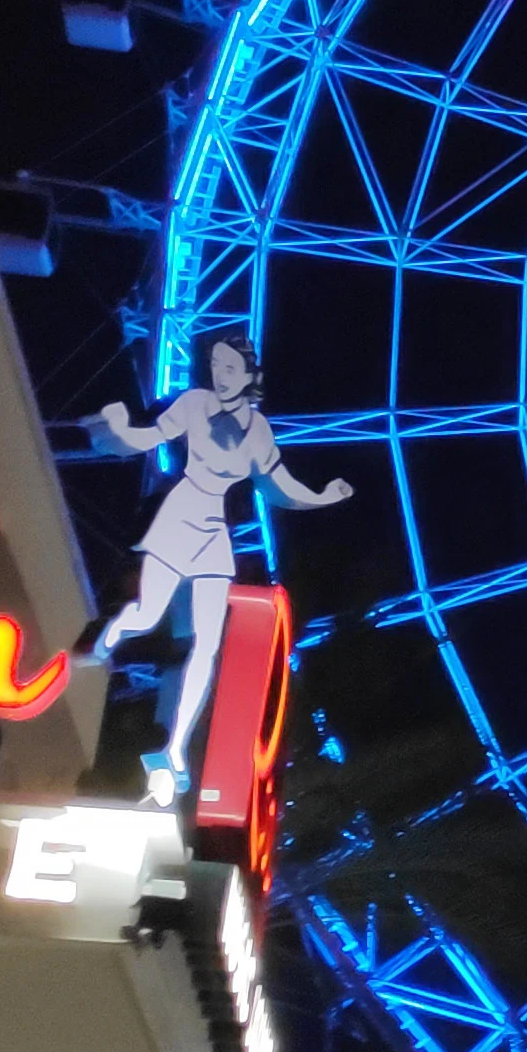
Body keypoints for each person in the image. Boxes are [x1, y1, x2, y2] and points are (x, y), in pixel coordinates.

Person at [89, 337, 350, 802]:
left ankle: (173, 750)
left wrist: (323, 496)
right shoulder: (192, 405)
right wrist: (118, 430)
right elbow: (150, 437)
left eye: (230, 366)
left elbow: (281, 485)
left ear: (249, 376)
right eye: (216, 365)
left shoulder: (258, 432)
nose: (222, 373)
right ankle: (114, 633)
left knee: (205, 648)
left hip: (212, 534)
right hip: (179, 514)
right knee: (148, 615)